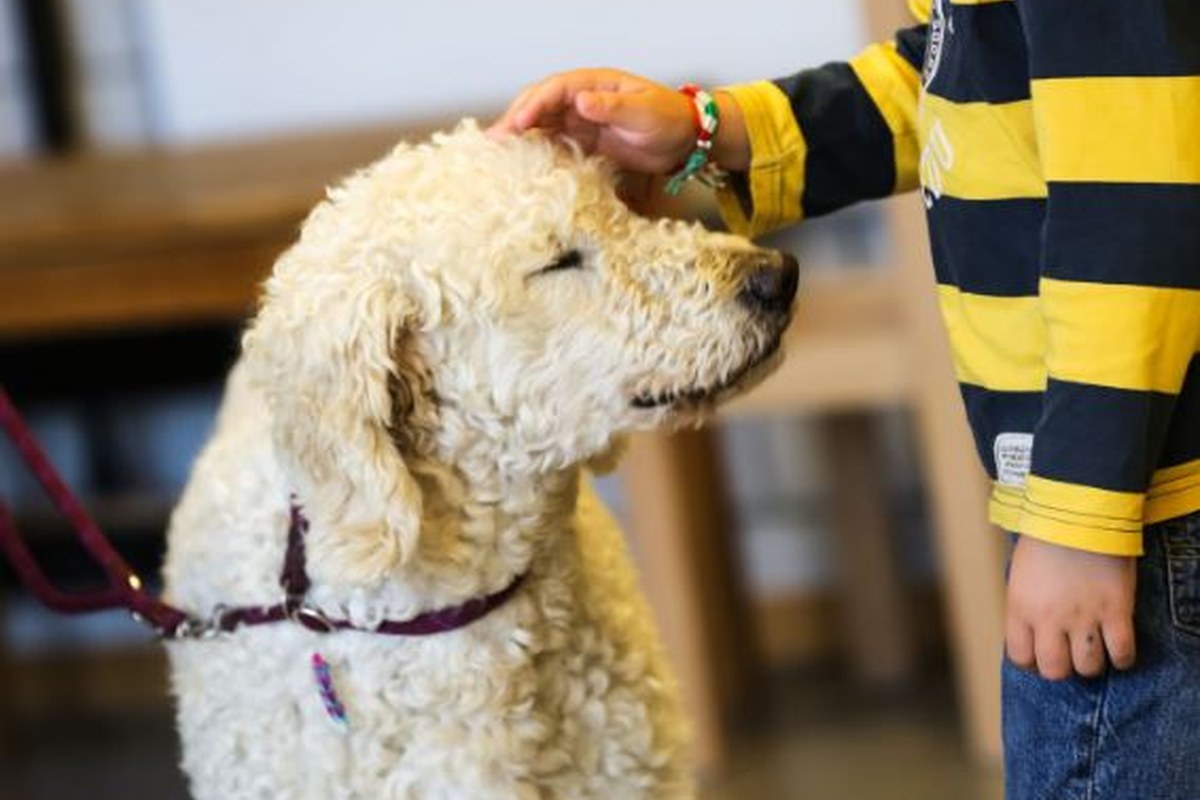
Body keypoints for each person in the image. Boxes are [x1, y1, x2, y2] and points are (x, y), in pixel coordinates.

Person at [489, 1, 1200, 797]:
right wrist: (708, 128)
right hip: (1112, 489)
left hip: (1137, 504)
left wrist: (1078, 520)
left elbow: (1134, 206)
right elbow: (950, 74)